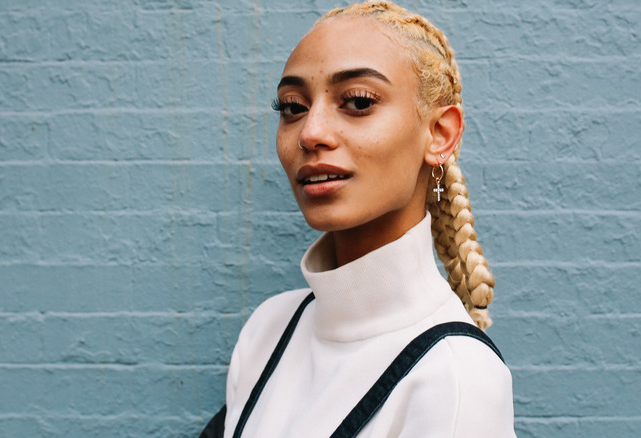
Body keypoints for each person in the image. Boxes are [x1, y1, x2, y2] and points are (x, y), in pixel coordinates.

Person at [201, 1, 516, 437]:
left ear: (440, 134)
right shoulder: (268, 329)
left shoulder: (457, 377)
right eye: (292, 107)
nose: (310, 133)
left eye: (358, 101)